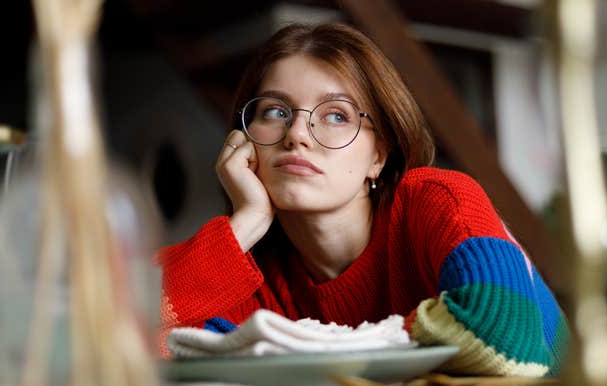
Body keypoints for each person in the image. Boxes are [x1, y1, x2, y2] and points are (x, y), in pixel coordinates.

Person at [158, 22, 568, 376]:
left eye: (337, 115)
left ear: (379, 155)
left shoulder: (436, 201)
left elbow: (506, 335)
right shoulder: (250, 281)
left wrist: (320, 348)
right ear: (246, 142)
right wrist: (245, 223)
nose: (296, 134)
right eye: (275, 111)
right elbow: (121, 339)